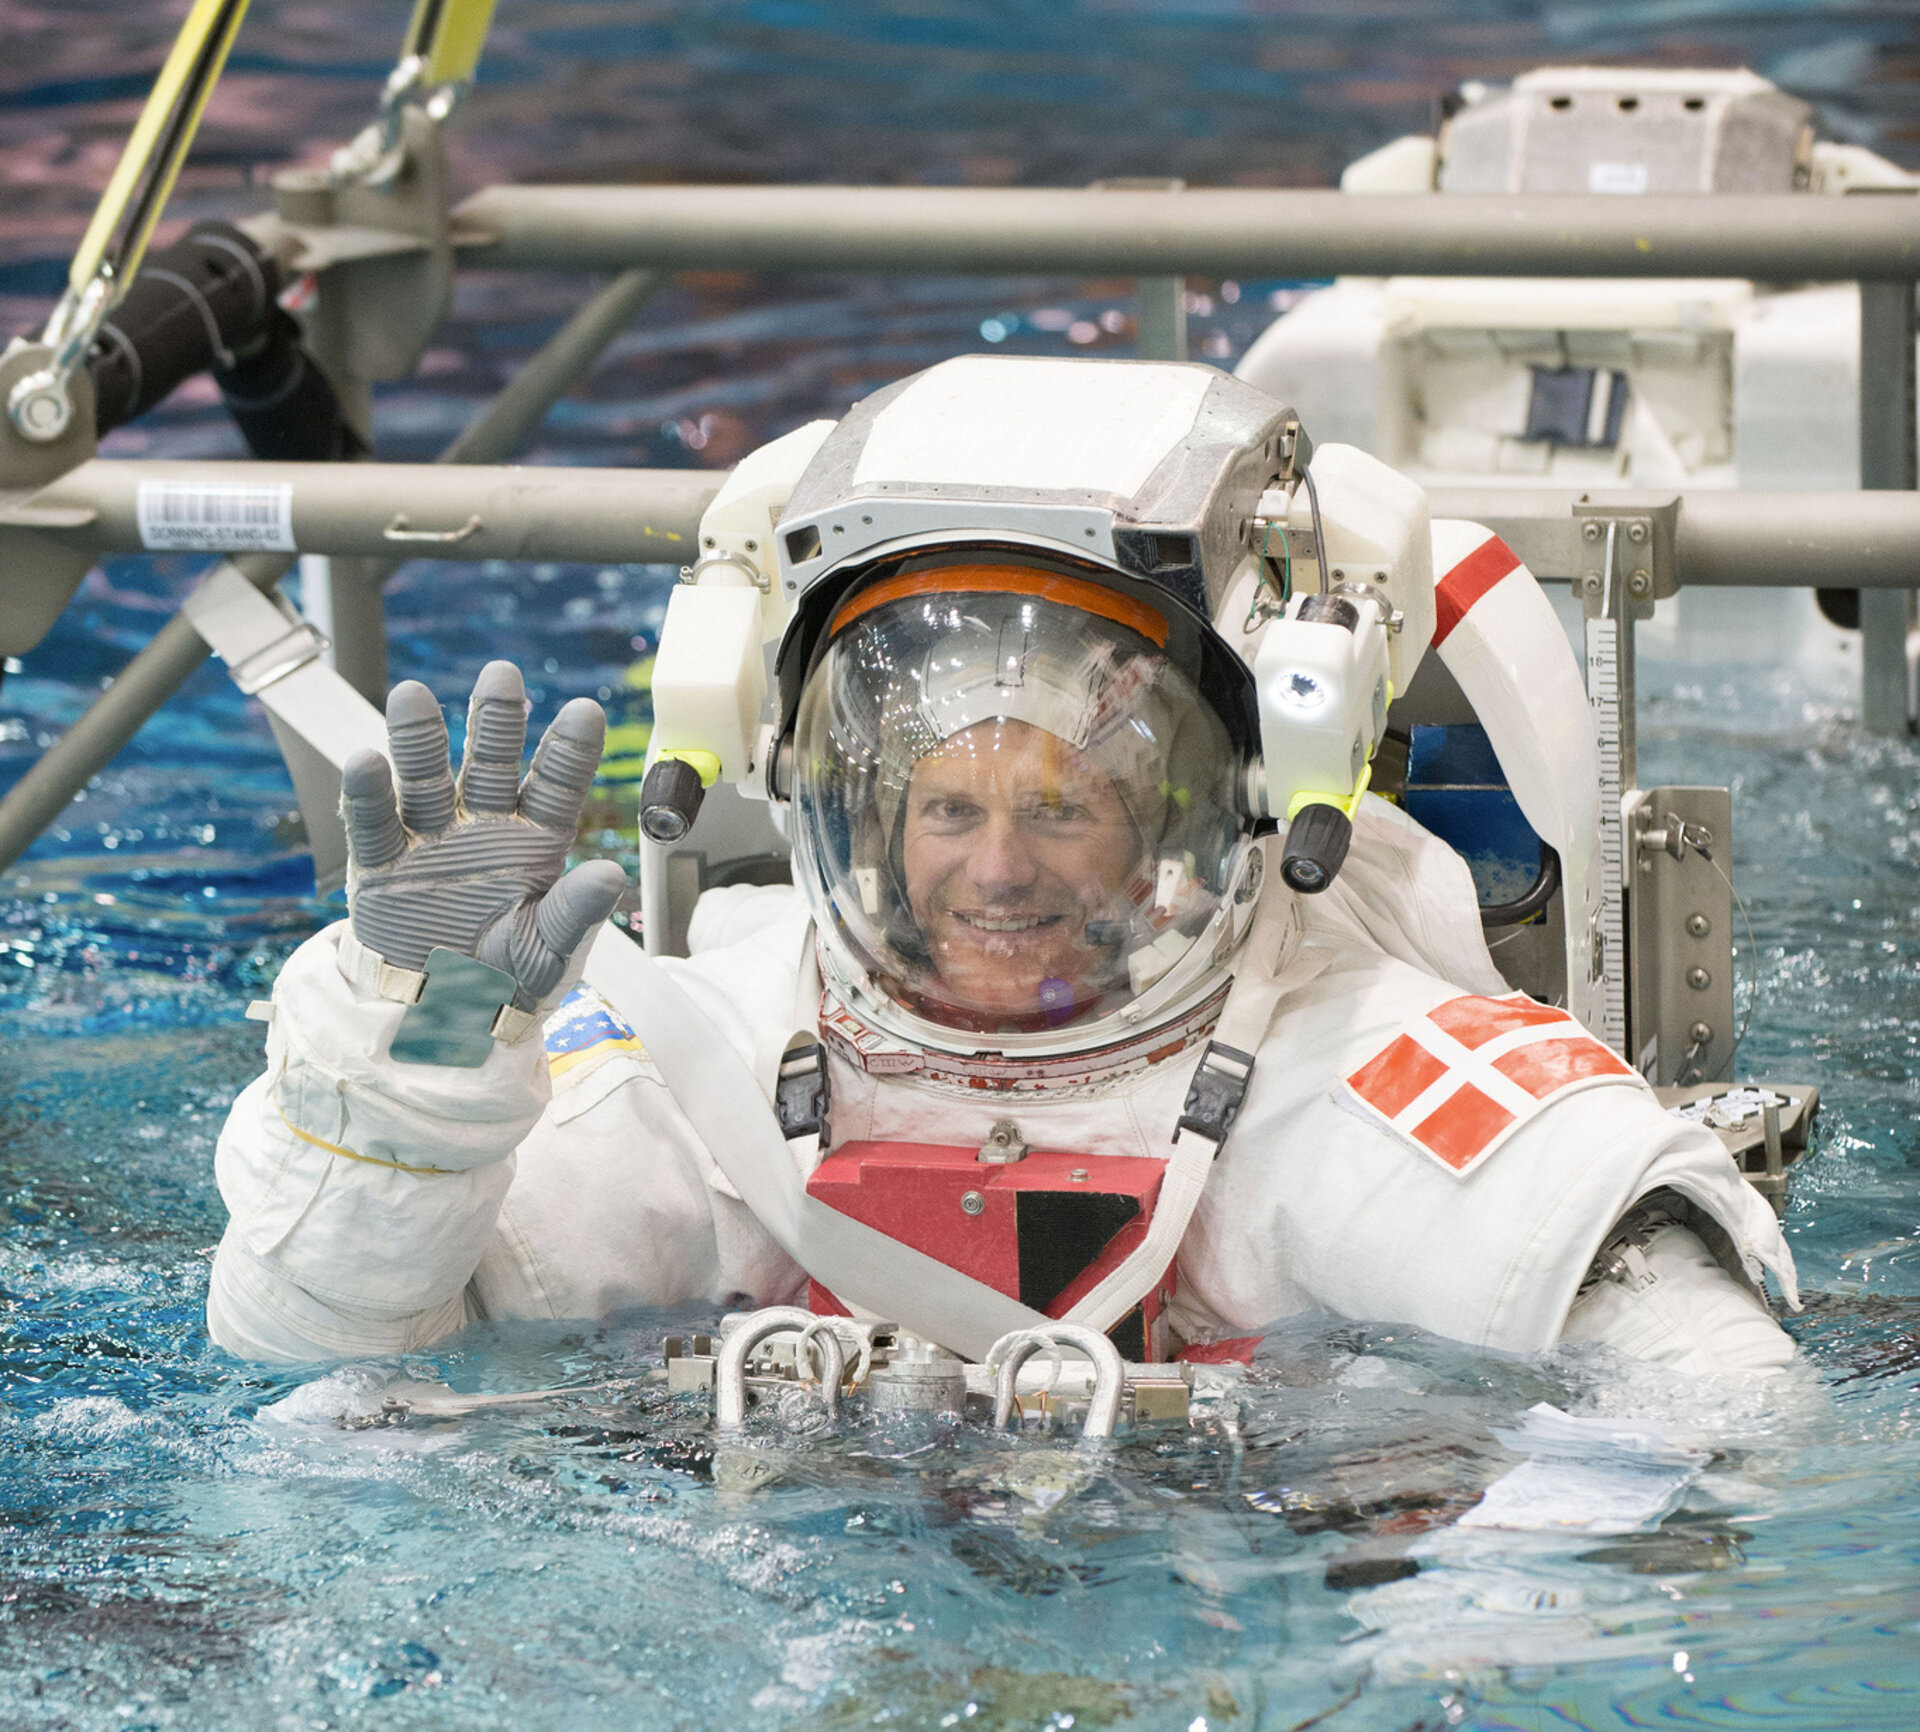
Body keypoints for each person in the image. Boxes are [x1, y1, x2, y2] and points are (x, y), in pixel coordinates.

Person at [206, 362, 1797, 1378]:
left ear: (1200, 815)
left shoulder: (1339, 1066)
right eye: (946, 810)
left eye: (1062, 809)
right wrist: (416, 1034)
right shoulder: (740, 1048)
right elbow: (320, 1357)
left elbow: (1716, 1404)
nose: (995, 872)